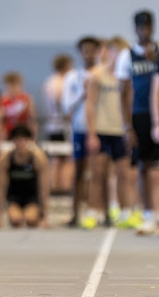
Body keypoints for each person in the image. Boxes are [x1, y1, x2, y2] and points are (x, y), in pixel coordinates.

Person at [118, 10, 159, 236]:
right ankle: (148, 214)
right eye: (141, 27)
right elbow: (123, 93)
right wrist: (127, 126)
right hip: (140, 115)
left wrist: (157, 60)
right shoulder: (126, 55)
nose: (145, 31)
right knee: (142, 166)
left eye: (148, 26)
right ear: (135, 28)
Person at [84, 36, 133, 229]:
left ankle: (125, 211)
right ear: (108, 52)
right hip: (102, 130)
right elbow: (90, 104)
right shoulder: (97, 75)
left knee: (123, 174)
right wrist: (91, 133)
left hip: (120, 131)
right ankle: (94, 211)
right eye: (115, 52)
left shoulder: (126, 77)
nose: (118, 56)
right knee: (97, 173)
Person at [62, 36, 101, 227]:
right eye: (85, 50)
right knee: (79, 171)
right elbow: (66, 106)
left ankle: (98, 212)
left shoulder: (103, 74)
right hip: (79, 128)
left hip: (101, 128)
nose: (89, 54)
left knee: (99, 172)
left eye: (93, 50)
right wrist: (83, 93)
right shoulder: (72, 77)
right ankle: (75, 213)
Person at [0, 125, 50, 229]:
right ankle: (17, 213)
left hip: (32, 198)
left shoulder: (38, 158)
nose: (21, 143)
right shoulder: (5, 159)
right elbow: (1, 187)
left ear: (29, 141)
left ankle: (37, 215)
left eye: (24, 140)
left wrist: (45, 216)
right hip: (15, 198)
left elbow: (44, 187)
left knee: (30, 220)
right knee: (16, 220)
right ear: (13, 141)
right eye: (18, 140)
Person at [42, 53, 74, 195]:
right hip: (59, 125)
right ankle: (58, 188)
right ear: (65, 67)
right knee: (61, 158)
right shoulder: (58, 82)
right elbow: (58, 102)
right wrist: (67, 115)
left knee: (61, 158)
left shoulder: (51, 81)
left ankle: (59, 187)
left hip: (55, 125)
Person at [0, 71, 37, 140]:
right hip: (8, 134)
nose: (11, 88)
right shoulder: (3, 99)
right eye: (8, 86)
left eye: (14, 85)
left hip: (22, 134)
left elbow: (32, 119)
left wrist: (33, 137)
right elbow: (1, 121)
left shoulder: (26, 99)